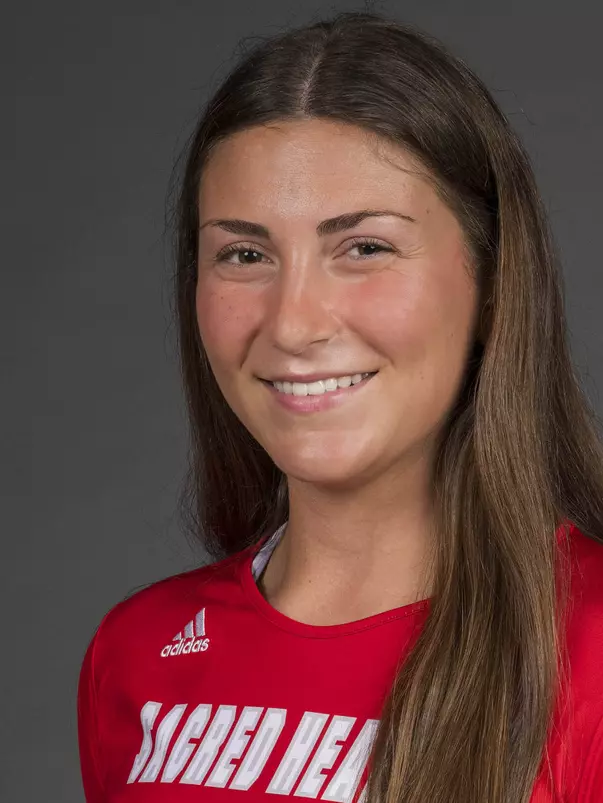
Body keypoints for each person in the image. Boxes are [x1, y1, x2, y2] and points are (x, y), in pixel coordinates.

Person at [77, 10, 603, 803]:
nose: (292, 322)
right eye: (244, 254)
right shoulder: (139, 649)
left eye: (363, 248)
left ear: (493, 284)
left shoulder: (590, 647)